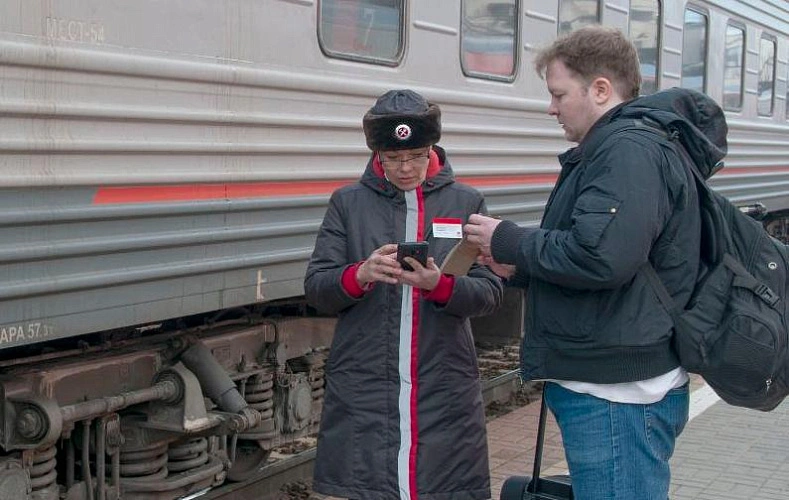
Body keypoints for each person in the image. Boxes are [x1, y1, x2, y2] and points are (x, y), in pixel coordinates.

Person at [464, 26, 725, 499]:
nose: (552, 107)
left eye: (559, 94)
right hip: (610, 386)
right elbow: (613, 255)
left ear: (600, 89)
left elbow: (601, 257)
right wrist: (519, 267)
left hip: (617, 396)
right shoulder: (620, 148)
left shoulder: (628, 151)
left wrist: (508, 239)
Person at [304, 89, 503, 500]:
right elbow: (318, 288)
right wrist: (360, 275)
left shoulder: (466, 201)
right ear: (377, 154)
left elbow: (489, 293)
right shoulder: (348, 203)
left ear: (432, 149)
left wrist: (439, 285)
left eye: (416, 155)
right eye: (393, 158)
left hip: (441, 383)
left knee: (440, 486)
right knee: (369, 486)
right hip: (367, 383)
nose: (406, 168)